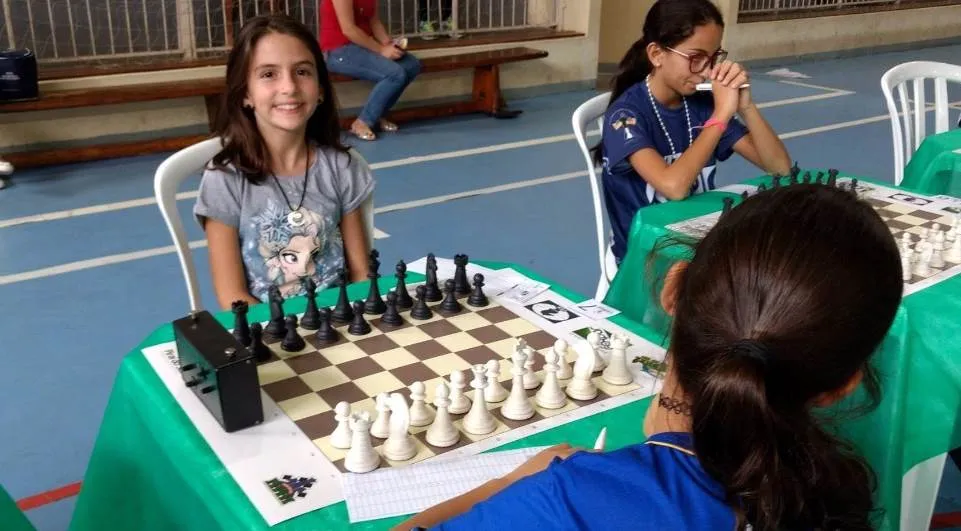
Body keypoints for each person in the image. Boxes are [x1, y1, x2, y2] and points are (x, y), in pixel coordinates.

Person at [397, 183, 904, 530]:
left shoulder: (570, 498)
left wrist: (512, 481)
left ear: (672, 287)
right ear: (845, 383)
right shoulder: (835, 492)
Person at [194, 14, 373, 309]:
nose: (289, 87)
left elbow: (361, 275)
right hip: (268, 329)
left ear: (321, 89)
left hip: (340, 323)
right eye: (268, 74)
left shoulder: (341, 167)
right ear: (245, 93)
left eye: (302, 71)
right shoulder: (224, 179)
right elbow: (232, 297)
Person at [595, 0, 791, 266]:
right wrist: (720, 116)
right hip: (645, 259)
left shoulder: (700, 105)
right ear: (657, 54)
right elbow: (673, 187)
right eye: (695, 58)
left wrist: (746, 106)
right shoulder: (625, 116)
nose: (707, 71)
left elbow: (779, 167)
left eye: (713, 58)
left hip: (696, 245)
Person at [320, 0, 422, 141]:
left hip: (363, 46)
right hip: (339, 51)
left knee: (411, 65)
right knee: (394, 74)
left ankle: (378, 115)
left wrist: (389, 44)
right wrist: (381, 50)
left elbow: (374, 21)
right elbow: (349, 29)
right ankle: (362, 122)